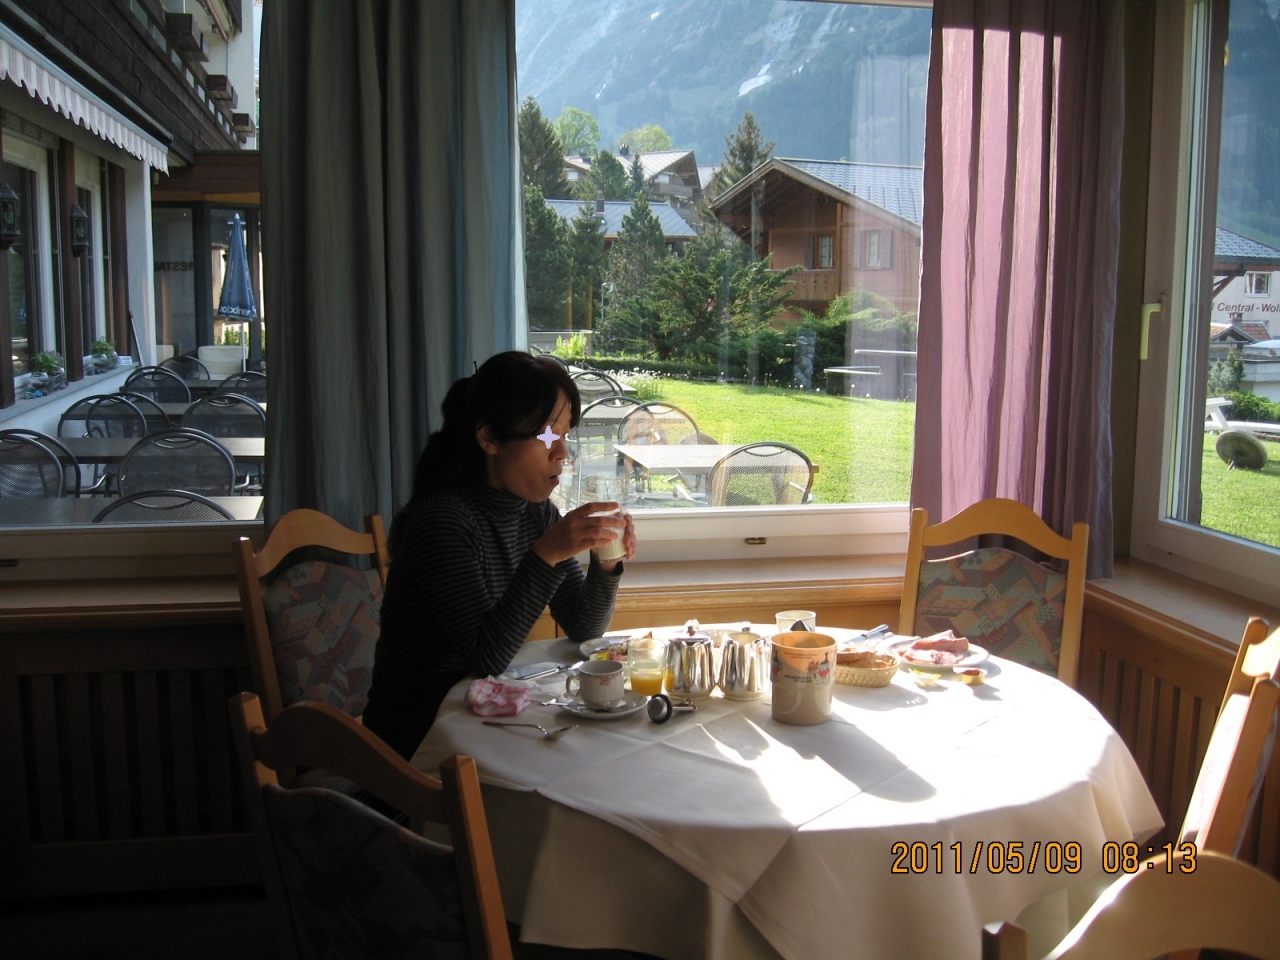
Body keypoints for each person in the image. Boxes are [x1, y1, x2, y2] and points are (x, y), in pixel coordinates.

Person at [363, 351, 636, 758]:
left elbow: (584, 626)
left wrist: (606, 562)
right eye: (546, 435)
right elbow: (485, 657)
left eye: (565, 435)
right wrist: (545, 554)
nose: (561, 453)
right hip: (418, 743)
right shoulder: (442, 521)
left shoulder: (536, 513)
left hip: (486, 721)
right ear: (489, 438)